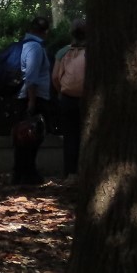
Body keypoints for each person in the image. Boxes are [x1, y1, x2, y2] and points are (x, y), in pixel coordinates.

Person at [11, 16, 53, 186]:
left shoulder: (27, 45)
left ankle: (22, 174)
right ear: (44, 32)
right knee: (30, 138)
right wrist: (32, 102)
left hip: (29, 97)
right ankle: (27, 175)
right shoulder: (35, 48)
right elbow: (31, 77)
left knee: (25, 138)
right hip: (34, 98)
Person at [51, 19, 87, 183]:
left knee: (70, 136)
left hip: (67, 99)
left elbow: (55, 77)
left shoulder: (63, 52)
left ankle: (71, 174)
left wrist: (60, 93)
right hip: (88, 99)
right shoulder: (93, 51)